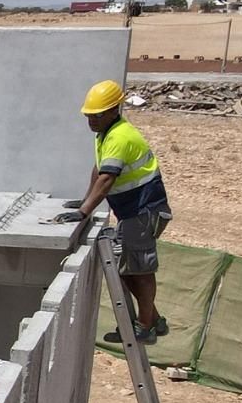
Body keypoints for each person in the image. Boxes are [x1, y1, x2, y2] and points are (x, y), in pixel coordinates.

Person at [62, 79, 173, 342]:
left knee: (141, 272)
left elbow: (107, 178)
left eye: (96, 116)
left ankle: (145, 328)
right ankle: (154, 320)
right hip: (133, 212)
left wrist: (84, 212)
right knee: (129, 269)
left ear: (114, 110)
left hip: (144, 211)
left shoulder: (120, 136)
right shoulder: (106, 135)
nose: (91, 121)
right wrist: (86, 200)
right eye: (89, 116)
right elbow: (99, 170)